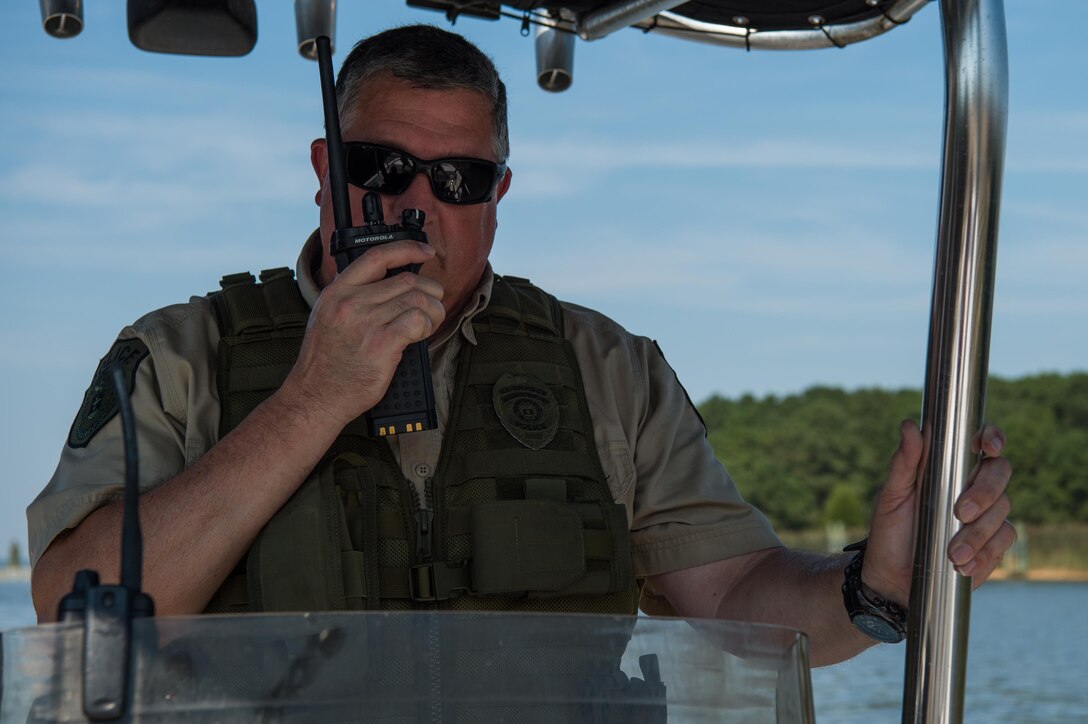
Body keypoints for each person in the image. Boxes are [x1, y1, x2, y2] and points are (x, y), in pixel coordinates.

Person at [28, 25, 1013, 667]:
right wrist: (312, 399)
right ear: (327, 171)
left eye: (457, 178)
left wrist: (875, 584)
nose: (418, 204)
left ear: (496, 196)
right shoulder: (180, 354)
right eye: (383, 167)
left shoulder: (609, 369)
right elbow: (78, 621)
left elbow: (735, 598)